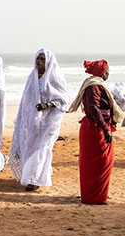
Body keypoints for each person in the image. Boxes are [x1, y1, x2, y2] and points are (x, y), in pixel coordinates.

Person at [8, 49, 70, 191]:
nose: (40, 62)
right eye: (38, 59)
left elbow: (64, 99)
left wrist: (47, 105)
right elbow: (26, 100)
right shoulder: (32, 77)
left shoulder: (55, 77)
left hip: (49, 122)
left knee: (43, 148)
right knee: (30, 146)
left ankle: (35, 180)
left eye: (43, 59)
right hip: (32, 121)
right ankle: (31, 175)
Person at [68, 60, 123, 204]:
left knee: (96, 164)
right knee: (100, 164)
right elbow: (93, 107)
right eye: (107, 70)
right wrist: (105, 129)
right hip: (96, 129)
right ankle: (94, 197)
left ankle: (96, 195)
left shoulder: (94, 84)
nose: (108, 73)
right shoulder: (94, 86)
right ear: (101, 72)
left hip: (95, 127)